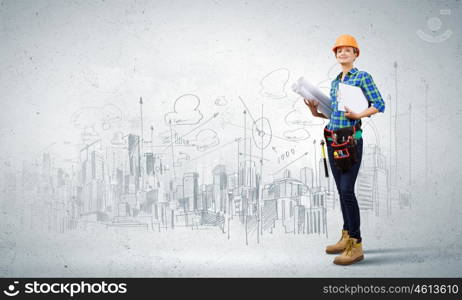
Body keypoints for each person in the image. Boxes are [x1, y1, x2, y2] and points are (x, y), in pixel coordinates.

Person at [304, 34, 385, 265]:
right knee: (341, 191)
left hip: (350, 141)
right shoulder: (335, 81)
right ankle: (347, 234)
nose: (342, 53)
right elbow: (334, 114)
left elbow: (379, 104)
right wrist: (315, 112)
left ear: (356, 54)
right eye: (339, 51)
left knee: (347, 190)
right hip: (332, 139)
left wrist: (359, 115)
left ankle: (356, 245)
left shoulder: (362, 77)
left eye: (347, 50)